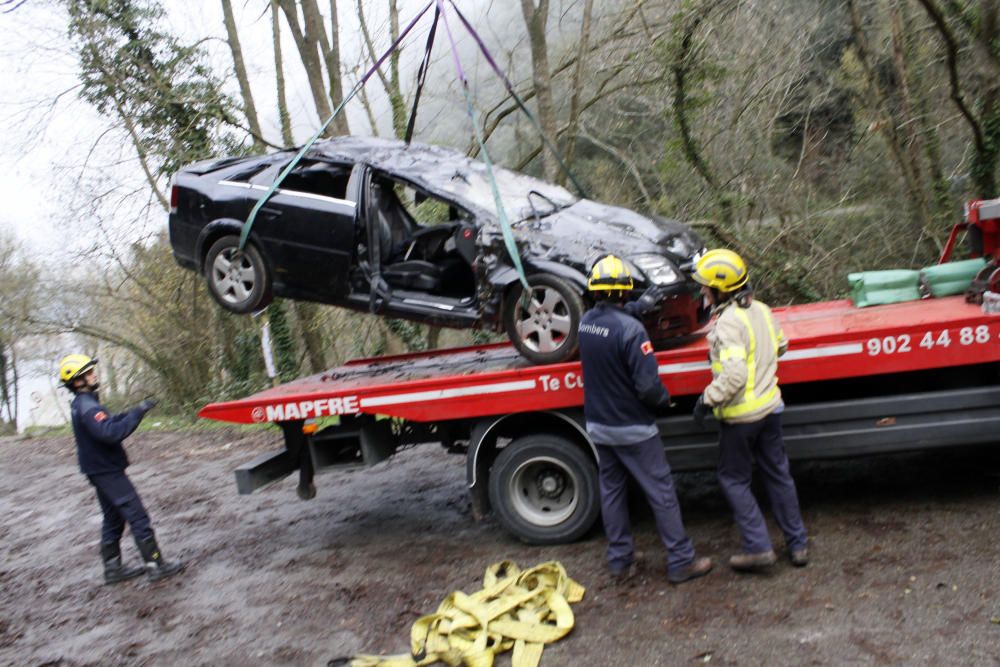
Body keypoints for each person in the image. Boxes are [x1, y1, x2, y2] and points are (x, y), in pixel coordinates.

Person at [578, 255, 712, 584]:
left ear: (594, 292)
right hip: (633, 428)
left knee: (611, 491)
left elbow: (612, 322)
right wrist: (665, 400)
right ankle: (681, 560)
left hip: (599, 424)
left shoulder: (585, 323)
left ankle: (620, 560)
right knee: (661, 492)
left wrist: (642, 305)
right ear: (626, 292)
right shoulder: (633, 331)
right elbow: (648, 386)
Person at [690, 249, 809, 571]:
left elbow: (735, 375)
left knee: (733, 479)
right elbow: (781, 345)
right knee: (778, 475)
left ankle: (758, 548)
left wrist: (706, 399)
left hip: (741, 419)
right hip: (770, 410)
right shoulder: (762, 310)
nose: (702, 291)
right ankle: (797, 545)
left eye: (705, 286)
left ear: (721, 289)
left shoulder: (728, 323)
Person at [58, 354, 185, 584]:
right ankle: (156, 564)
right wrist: (138, 413)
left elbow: (109, 423)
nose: (94, 374)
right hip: (106, 471)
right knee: (137, 515)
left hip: (98, 470)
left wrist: (135, 410)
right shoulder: (87, 406)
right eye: (88, 373)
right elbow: (111, 433)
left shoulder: (84, 403)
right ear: (78, 381)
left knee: (113, 518)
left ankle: (113, 569)